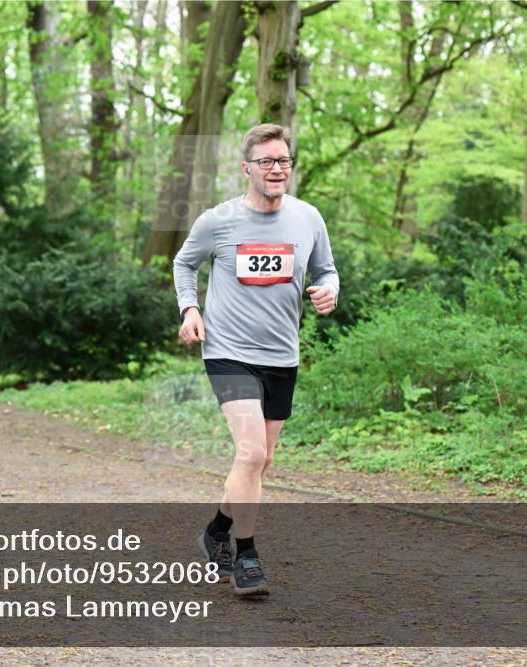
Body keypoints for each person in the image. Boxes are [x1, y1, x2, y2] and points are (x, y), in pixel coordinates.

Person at [173, 124, 339, 597]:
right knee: (250, 453)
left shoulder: (308, 218)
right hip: (227, 350)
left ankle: (216, 530)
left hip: (281, 355)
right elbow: (184, 264)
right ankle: (246, 556)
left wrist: (330, 291)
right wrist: (190, 309)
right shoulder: (218, 221)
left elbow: (327, 270)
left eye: (283, 160)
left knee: (259, 463)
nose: (276, 168)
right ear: (247, 168)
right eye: (266, 161)